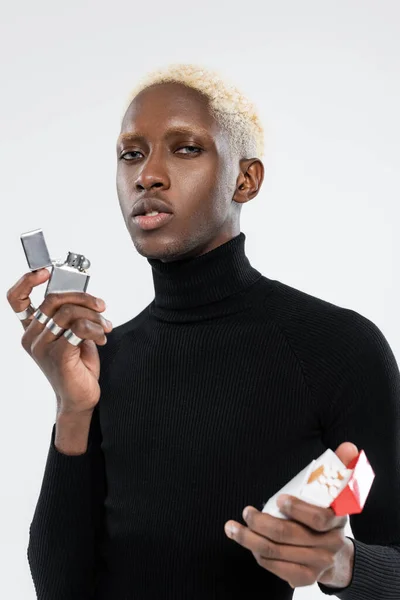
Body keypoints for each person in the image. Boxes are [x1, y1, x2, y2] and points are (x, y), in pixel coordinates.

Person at [7, 63, 400, 599]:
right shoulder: (106, 359)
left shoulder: (335, 347)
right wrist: (72, 410)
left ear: (246, 179)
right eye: (131, 154)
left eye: (186, 148)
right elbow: (60, 589)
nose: (148, 175)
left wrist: (342, 563)